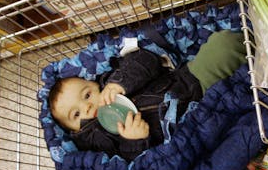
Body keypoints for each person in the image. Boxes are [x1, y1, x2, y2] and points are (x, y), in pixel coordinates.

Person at [49, 30, 247, 161]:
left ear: (95, 84)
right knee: (235, 137)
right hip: (189, 131)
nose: (86, 108)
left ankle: (256, 51)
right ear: (72, 131)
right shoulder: (95, 142)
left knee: (224, 45)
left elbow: (147, 60)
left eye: (87, 95)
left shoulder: (113, 79)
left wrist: (119, 83)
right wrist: (134, 141)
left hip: (190, 84)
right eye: (76, 115)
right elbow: (130, 164)